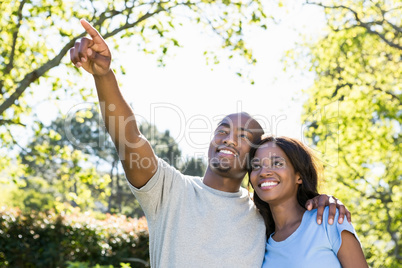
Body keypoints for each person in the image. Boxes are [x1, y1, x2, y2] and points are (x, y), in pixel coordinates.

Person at [70, 19, 352, 267]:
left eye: (243, 136)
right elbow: (129, 139)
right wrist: (104, 76)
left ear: (254, 160)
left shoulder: (263, 215)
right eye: (223, 130)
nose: (229, 139)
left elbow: (295, 224)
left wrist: (321, 200)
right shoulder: (170, 191)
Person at [248, 135, 367, 268]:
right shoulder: (260, 242)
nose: (263, 172)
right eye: (256, 166)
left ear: (299, 176)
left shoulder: (328, 220)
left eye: (277, 163)